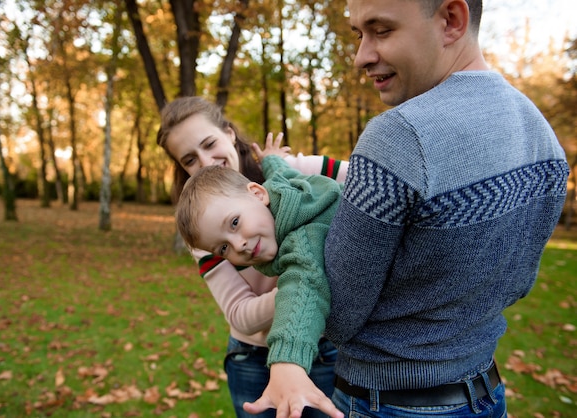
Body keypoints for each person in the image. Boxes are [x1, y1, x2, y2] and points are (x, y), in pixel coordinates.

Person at [243, 0, 570, 417]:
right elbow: (518, 283)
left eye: (381, 30)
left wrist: (296, 233)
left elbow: (339, 313)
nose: (362, 56)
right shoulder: (539, 132)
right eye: (358, 34)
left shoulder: (398, 136)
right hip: (486, 394)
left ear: (451, 20)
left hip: (389, 402)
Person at [156, 96, 348, 418]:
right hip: (253, 358)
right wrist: (303, 285)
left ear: (229, 133)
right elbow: (240, 313)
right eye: (189, 159)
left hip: (326, 349)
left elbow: (378, 183)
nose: (205, 162)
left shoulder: (297, 174)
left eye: (209, 143)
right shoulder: (202, 232)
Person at [175, 152, 342, 411]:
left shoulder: (300, 236)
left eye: (234, 223)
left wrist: (287, 362)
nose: (238, 244)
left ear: (257, 193)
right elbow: (281, 173)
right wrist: (271, 159)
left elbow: (304, 284)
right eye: (222, 249)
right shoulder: (282, 193)